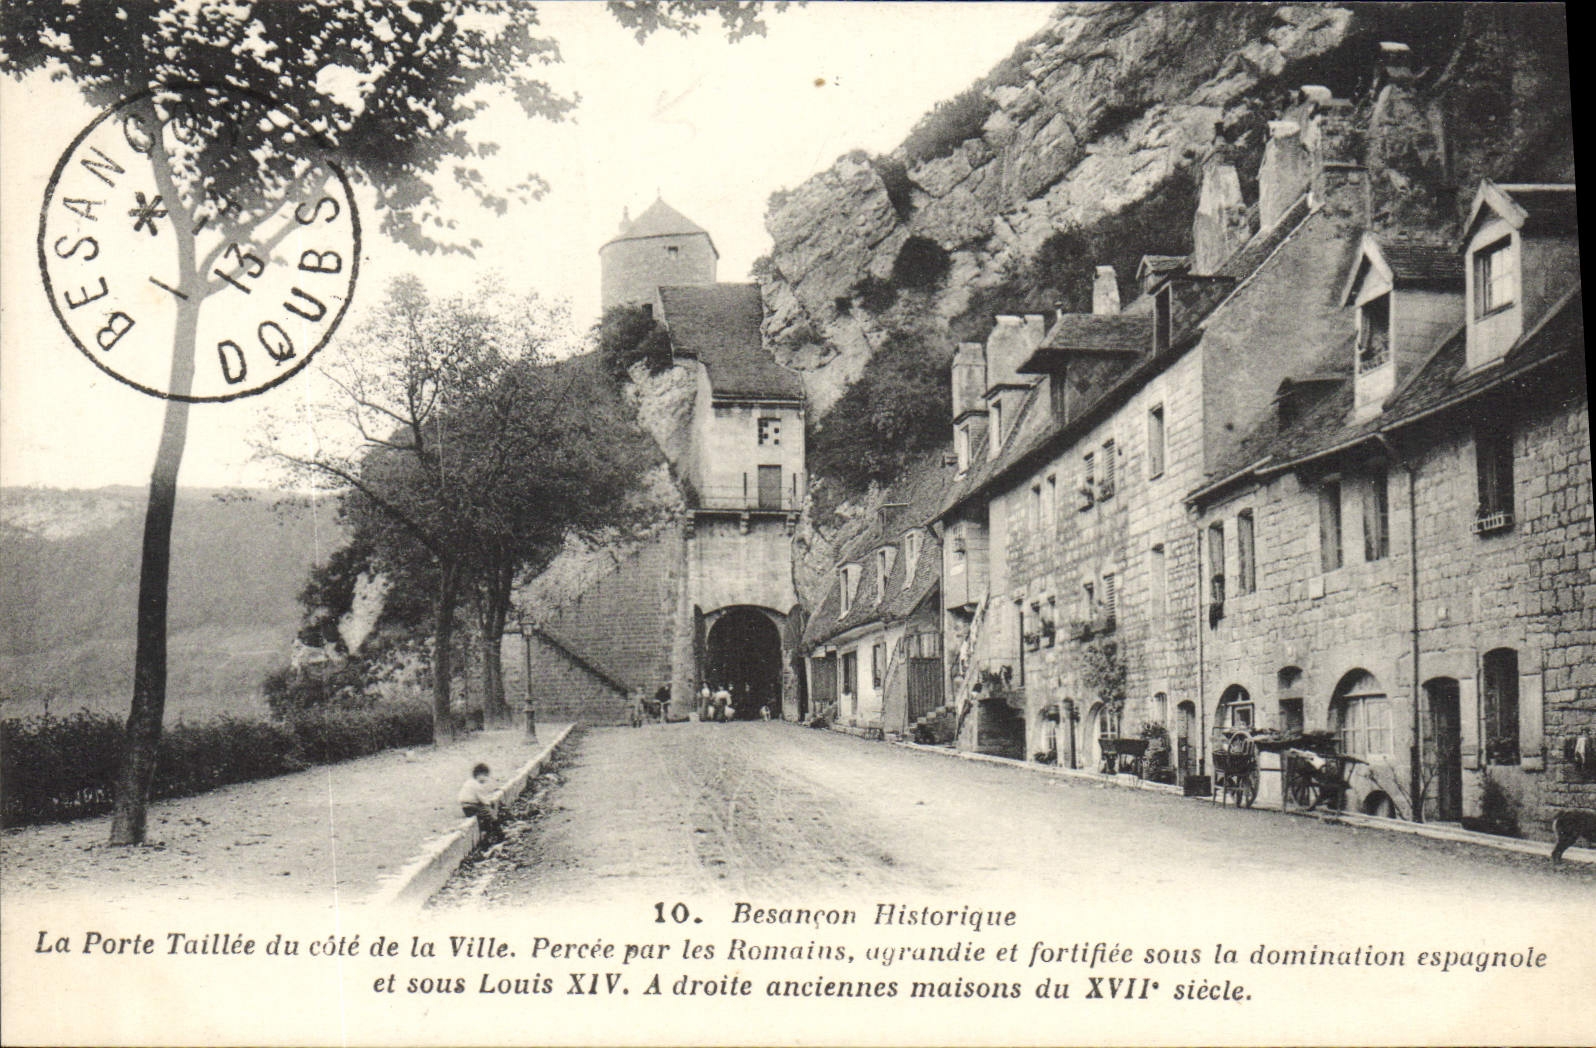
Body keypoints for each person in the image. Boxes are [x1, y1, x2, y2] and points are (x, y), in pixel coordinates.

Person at [458, 762, 502, 842]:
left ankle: (489, 832)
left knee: (484, 813)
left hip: (465, 806)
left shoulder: (469, 782)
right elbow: (484, 800)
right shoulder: (477, 785)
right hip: (471, 806)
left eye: (487, 776)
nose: (486, 779)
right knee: (488, 813)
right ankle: (496, 834)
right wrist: (490, 805)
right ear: (478, 775)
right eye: (484, 776)